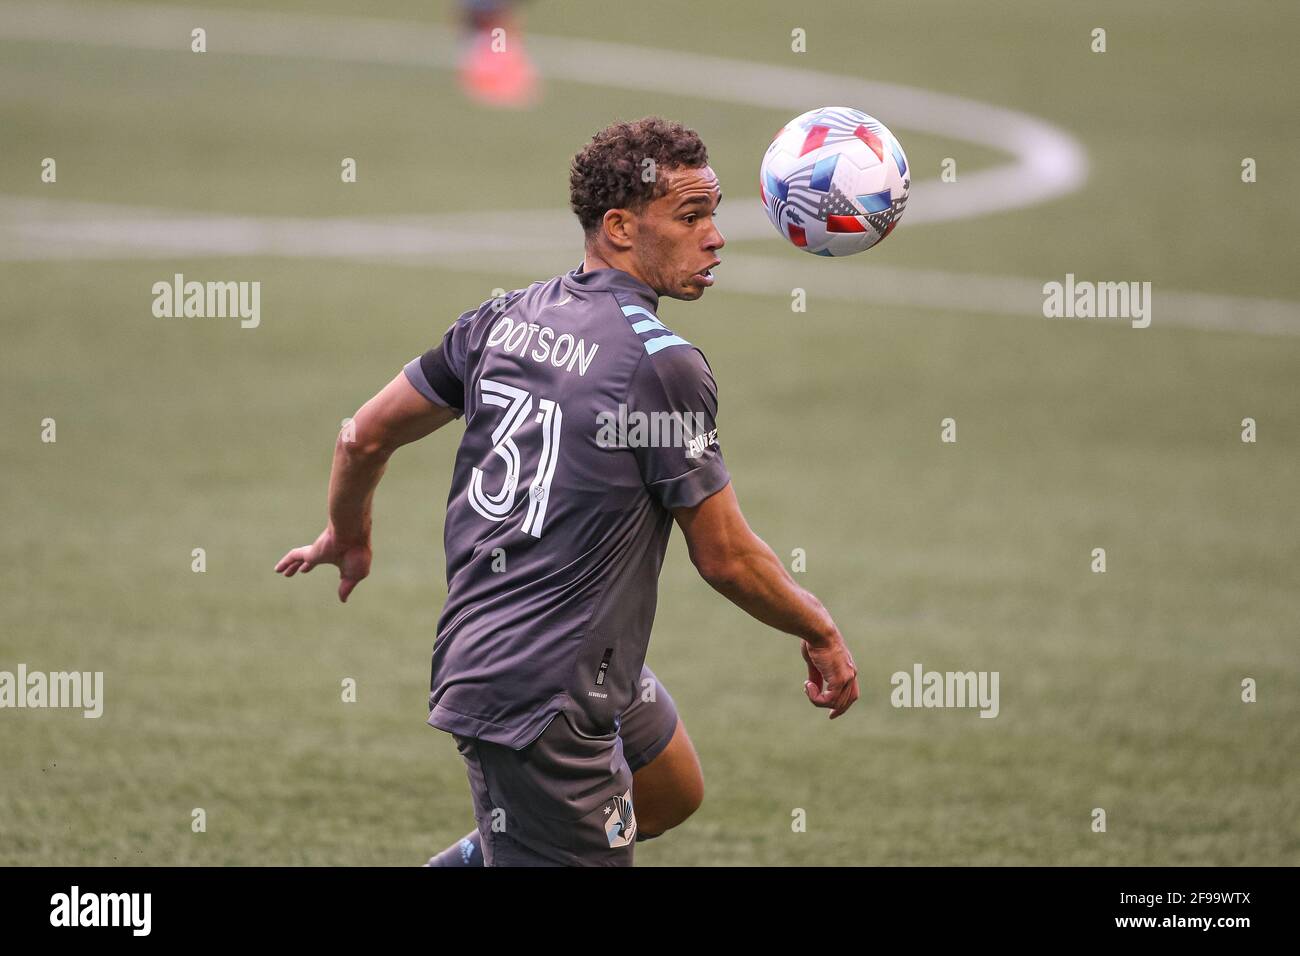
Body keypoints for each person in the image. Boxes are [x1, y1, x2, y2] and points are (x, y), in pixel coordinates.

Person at [275, 117, 858, 866]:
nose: (716, 237)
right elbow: (725, 558)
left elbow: (362, 435)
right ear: (619, 227)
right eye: (691, 217)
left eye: (714, 213)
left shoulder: (503, 318)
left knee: (668, 787)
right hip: (540, 693)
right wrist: (820, 630)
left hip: (558, 654)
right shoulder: (662, 364)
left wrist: (346, 532)